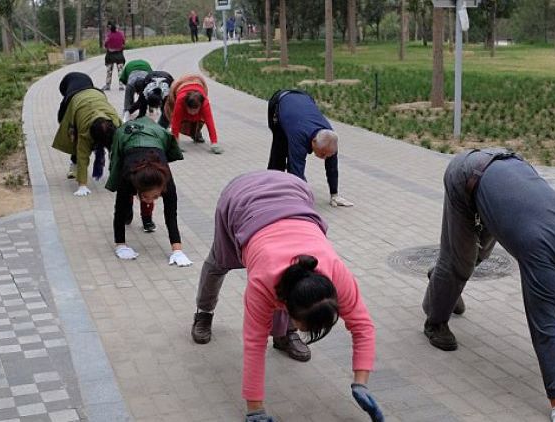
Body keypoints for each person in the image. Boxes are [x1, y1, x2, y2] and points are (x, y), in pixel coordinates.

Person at [421, 148, 555, 422]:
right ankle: (435, 320)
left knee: (477, 254)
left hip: (501, 181)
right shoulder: (542, 259)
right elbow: (544, 330)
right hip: (467, 176)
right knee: (460, 261)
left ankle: (445, 285)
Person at [190, 170, 383, 422]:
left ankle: (283, 336)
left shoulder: (336, 272)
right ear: (289, 309)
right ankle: (203, 313)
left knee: (289, 296)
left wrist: (361, 382)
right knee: (219, 263)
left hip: (293, 192)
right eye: (302, 326)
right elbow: (254, 344)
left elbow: (363, 326)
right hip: (241, 200)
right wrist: (255, 410)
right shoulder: (262, 283)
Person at [92, 115, 193, 266]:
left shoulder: (167, 182)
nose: (152, 200)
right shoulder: (127, 178)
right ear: (137, 189)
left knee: (165, 205)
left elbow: (171, 214)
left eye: (156, 197)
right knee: (123, 205)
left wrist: (177, 250)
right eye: (147, 197)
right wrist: (120, 245)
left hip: (154, 133)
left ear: (162, 188)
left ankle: (145, 216)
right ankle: (131, 211)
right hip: (127, 136)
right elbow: (118, 211)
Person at [267, 89, 354, 207]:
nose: (323, 158)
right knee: (280, 149)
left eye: (326, 155)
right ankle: (273, 190)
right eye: (322, 154)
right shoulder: (299, 137)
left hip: (304, 98)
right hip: (279, 103)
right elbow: (296, 170)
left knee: (293, 151)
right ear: (313, 142)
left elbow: (332, 167)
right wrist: (304, 199)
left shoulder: (330, 138)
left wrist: (334, 194)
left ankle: (291, 192)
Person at [53, 72, 121, 197]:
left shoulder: (116, 123)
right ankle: (73, 165)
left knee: (116, 148)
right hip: (75, 99)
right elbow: (83, 156)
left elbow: (117, 151)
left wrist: (118, 177)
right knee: (75, 141)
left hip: (97, 94)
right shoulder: (85, 131)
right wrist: (82, 185)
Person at [164, 74, 223, 154]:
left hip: (197, 83)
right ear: (186, 105)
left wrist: (214, 143)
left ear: (200, 106)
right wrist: (176, 144)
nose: (192, 113)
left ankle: (196, 133)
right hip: (178, 87)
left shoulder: (204, 103)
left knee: (201, 120)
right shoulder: (180, 101)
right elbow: (175, 122)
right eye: (190, 110)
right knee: (175, 120)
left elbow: (210, 123)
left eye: (195, 110)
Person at [102, 22, 126, 91]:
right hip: (119, 55)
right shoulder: (121, 35)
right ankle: (121, 85)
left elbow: (105, 44)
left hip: (110, 55)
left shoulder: (108, 35)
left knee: (109, 71)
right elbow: (124, 43)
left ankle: (108, 85)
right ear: (116, 29)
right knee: (120, 71)